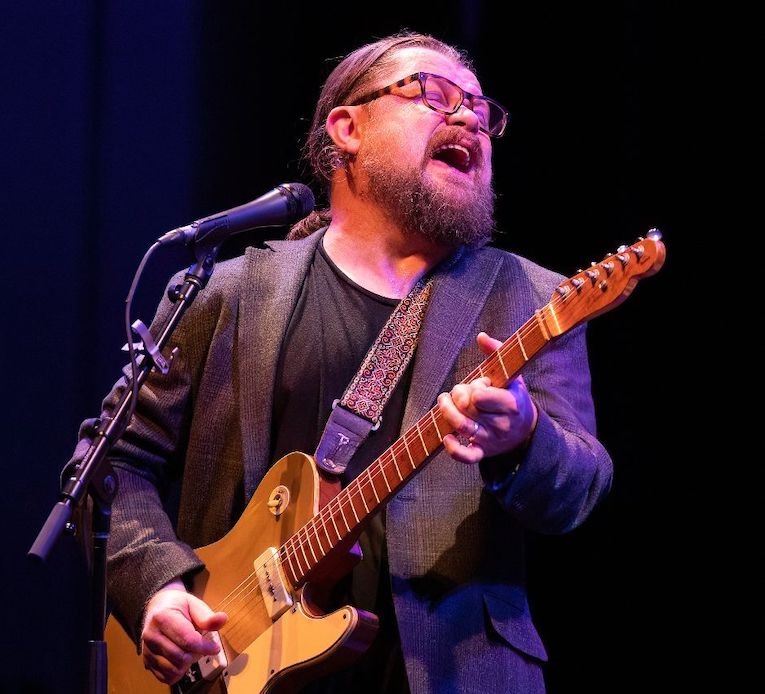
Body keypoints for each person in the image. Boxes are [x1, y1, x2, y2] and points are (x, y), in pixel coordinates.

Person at [85, 31, 612, 693]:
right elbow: (113, 466)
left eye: (481, 111)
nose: (468, 120)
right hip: (229, 667)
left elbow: (578, 492)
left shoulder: (533, 300)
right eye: (433, 94)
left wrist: (521, 439)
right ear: (346, 128)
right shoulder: (225, 293)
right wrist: (157, 589)